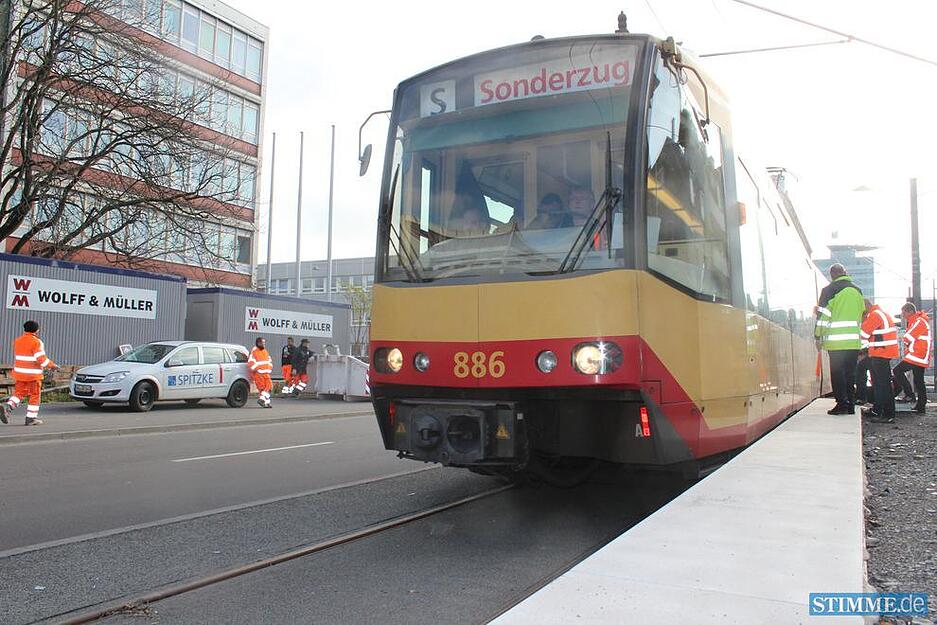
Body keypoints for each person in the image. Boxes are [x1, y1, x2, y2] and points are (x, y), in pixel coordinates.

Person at [814, 264, 865, 415]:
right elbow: (862, 313)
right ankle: (850, 406)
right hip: (854, 342)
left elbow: (823, 316)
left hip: (836, 344)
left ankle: (842, 404)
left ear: (832, 275)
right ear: (845, 272)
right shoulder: (857, 291)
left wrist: (818, 336)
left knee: (838, 374)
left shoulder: (829, 290)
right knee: (850, 374)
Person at [2, 320, 58, 426]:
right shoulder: (37, 342)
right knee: (35, 395)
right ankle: (31, 418)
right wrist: (52, 365)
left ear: (25, 329)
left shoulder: (18, 341)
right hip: (33, 375)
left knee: (19, 393)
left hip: (20, 374)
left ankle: (7, 406)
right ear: (37, 330)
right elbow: (41, 359)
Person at [860, 299, 898, 423]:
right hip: (883, 353)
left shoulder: (874, 315)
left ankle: (886, 414)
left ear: (865, 307)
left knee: (882, 385)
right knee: (882, 384)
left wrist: (862, 320)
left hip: (880, 354)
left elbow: (863, 334)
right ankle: (881, 411)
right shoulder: (881, 313)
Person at [892, 302, 930, 414]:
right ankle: (920, 406)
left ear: (910, 311)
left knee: (897, 370)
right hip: (919, 355)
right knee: (919, 381)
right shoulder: (918, 321)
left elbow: (908, 337)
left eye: (904, 312)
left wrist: (904, 339)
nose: (902, 315)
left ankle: (909, 395)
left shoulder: (918, 322)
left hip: (917, 355)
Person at [248, 337, 273, 408]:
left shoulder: (265, 351)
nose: (264, 344)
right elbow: (251, 363)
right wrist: (258, 369)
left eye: (264, 343)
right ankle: (265, 403)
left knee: (269, 387)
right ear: (258, 343)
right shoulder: (254, 351)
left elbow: (269, 360)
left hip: (266, 373)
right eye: (263, 343)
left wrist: (270, 367)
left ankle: (263, 400)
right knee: (262, 389)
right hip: (259, 374)